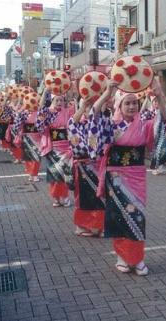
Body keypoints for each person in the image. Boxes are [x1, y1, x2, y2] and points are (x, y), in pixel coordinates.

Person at [88, 78, 166, 275]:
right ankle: (122, 257)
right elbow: (94, 115)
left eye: (135, 103)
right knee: (118, 218)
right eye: (127, 103)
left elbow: (164, 120)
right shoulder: (112, 125)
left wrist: (159, 95)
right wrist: (107, 93)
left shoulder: (144, 124)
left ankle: (137, 259)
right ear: (119, 105)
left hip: (137, 177)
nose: (132, 106)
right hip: (115, 178)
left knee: (137, 216)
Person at [68, 96, 105, 237]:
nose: (89, 109)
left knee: (99, 197)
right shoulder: (78, 123)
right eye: (86, 106)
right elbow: (71, 123)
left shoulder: (99, 123)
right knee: (82, 198)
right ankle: (82, 225)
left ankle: (98, 226)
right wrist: (83, 106)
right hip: (82, 165)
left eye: (91, 106)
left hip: (97, 164)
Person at [36, 90, 74, 207]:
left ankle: (65, 196)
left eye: (61, 100)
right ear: (52, 101)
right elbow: (40, 116)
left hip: (66, 149)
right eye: (56, 100)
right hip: (53, 149)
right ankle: (56, 198)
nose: (59, 102)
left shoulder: (68, 112)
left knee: (64, 174)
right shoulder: (48, 113)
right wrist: (45, 92)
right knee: (53, 175)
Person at [12, 95, 41, 182]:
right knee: (28, 156)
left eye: (34, 101)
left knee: (36, 157)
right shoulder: (24, 113)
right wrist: (20, 112)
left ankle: (35, 174)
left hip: (37, 137)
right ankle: (30, 174)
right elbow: (16, 125)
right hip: (27, 137)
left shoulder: (39, 112)